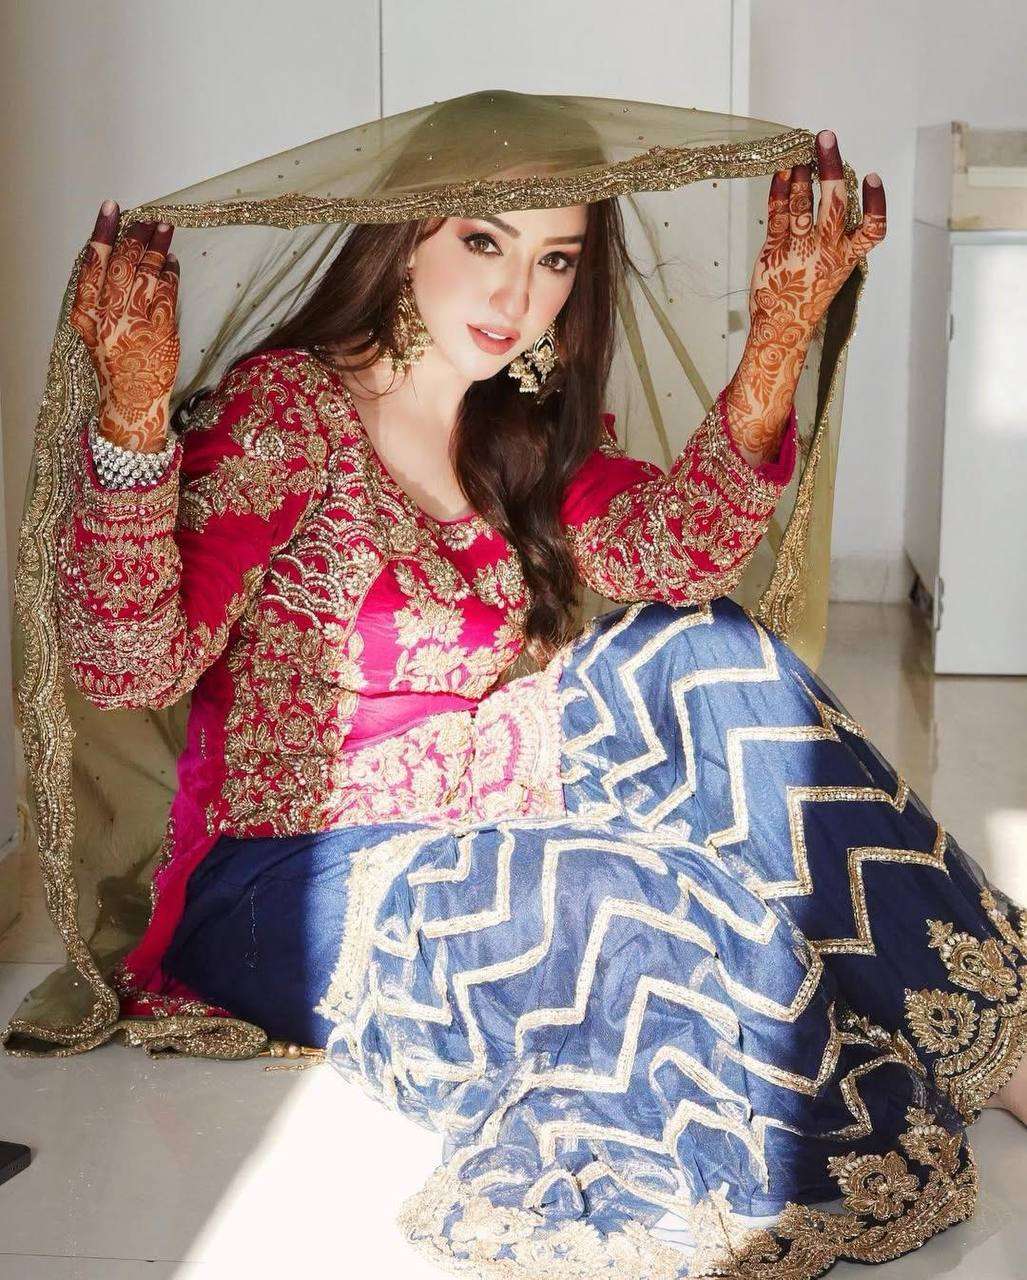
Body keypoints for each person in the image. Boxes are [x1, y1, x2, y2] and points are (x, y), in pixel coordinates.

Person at [26, 97, 1027, 1277]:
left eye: (556, 258)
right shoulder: (283, 413)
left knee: (701, 651)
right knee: (624, 903)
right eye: (483, 241)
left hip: (496, 797)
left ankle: (1009, 1047)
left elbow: (676, 551)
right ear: (402, 238)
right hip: (297, 874)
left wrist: (774, 344)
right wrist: (133, 420)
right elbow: (126, 664)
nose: (517, 295)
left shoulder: (516, 424)